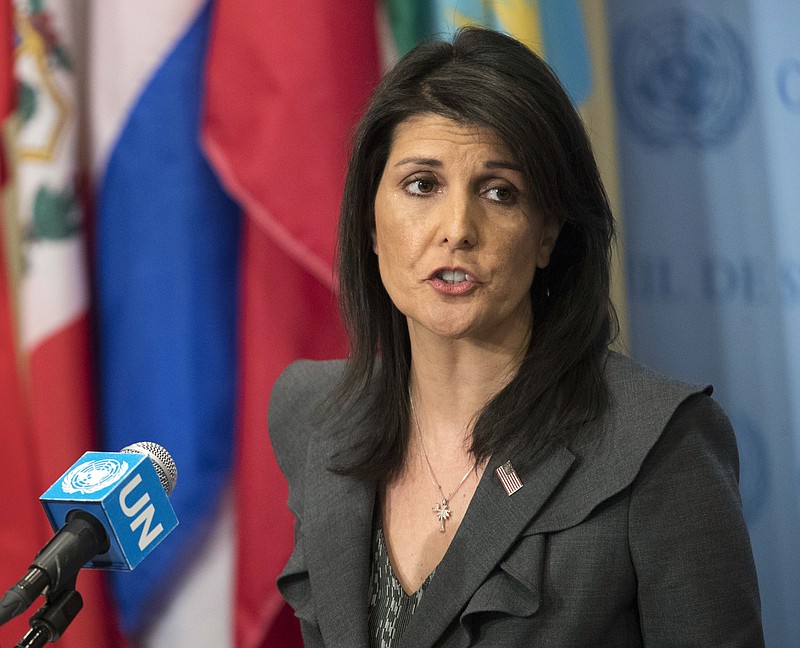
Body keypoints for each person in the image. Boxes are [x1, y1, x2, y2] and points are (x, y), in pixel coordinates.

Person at [268, 27, 764, 648]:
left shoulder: (659, 444)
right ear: (369, 221)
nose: (456, 229)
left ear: (547, 234)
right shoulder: (310, 413)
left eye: (500, 192)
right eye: (422, 185)